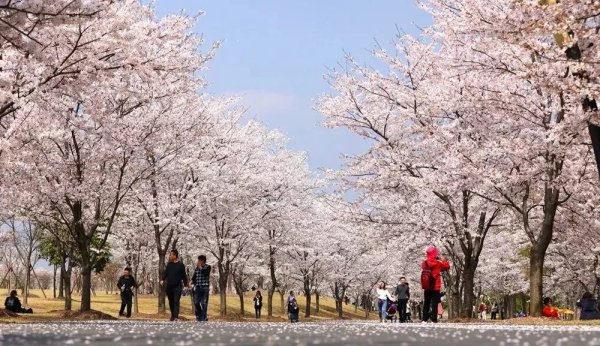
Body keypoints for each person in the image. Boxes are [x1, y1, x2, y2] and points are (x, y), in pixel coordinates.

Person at [420, 246, 450, 323]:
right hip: (435, 286)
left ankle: (424, 319)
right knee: (434, 303)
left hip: (427, 286)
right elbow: (447, 267)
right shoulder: (438, 263)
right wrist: (443, 260)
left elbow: (424, 269)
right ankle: (434, 319)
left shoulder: (424, 263)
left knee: (426, 302)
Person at [160, 249, 188, 321]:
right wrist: (162, 279)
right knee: (171, 301)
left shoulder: (181, 265)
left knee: (176, 301)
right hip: (169, 286)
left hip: (177, 286)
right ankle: (172, 315)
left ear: (175, 256)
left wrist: (186, 285)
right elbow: (165, 273)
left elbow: (184, 275)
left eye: (171, 255)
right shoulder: (169, 265)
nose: (170, 256)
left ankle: (175, 316)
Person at [189, 255, 211, 322]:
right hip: (198, 287)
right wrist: (191, 282)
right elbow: (194, 277)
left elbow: (206, 274)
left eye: (199, 260)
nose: (198, 261)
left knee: (204, 303)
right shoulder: (197, 268)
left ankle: (203, 317)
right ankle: (200, 315)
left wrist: (201, 268)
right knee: (196, 302)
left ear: (202, 261)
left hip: (205, 287)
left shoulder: (208, 267)